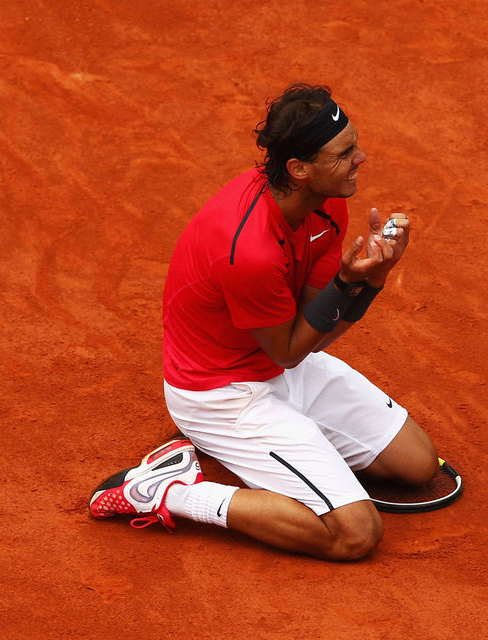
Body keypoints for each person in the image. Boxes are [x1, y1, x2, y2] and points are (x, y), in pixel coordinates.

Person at [89, 84, 440, 561]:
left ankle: (254, 452)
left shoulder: (325, 203)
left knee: (418, 465)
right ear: (299, 168)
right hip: (221, 394)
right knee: (354, 533)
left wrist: (371, 281)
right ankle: (166, 491)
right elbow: (290, 349)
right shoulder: (248, 249)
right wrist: (346, 283)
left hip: (280, 363)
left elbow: (315, 335)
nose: (361, 157)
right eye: (344, 153)